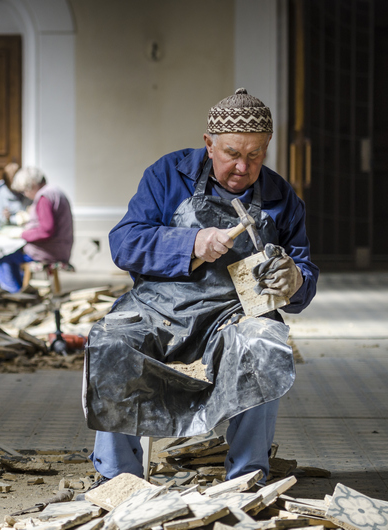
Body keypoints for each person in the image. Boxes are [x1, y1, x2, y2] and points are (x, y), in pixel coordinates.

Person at [83, 89, 320, 487]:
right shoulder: (167, 175)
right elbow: (124, 243)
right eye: (231, 153)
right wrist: (192, 243)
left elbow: (305, 273)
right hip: (158, 308)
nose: (243, 167)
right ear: (209, 144)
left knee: (264, 344)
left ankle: (246, 478)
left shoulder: (282, 198)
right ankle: (118, 479)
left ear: (267, 147)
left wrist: (296, 280)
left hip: (233, 314)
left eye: (255, 155)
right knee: (110, 341)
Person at [0, 167, 73, 292]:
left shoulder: (44, 197)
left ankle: (14, 293)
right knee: (8, 252)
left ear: (31, 186)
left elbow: (46, 231)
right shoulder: (54, 190)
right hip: (60, 247)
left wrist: (23, 234)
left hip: (51, 250)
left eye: (24, 191)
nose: (25, 195)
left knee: (2, 254)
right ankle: (19, 290)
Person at [0, 162, 32, 227]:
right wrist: (5, 217)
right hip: (5, 228)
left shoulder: (27, 188)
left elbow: (31, 215)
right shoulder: (1, 187)